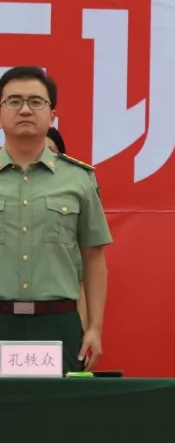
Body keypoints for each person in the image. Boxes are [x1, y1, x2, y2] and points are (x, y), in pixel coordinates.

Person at [0, 66, 111, 373]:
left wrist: (95, 328)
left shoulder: (79, 179)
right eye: (14, 101)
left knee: (55, 405)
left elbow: (93, 256)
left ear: (52, 116)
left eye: (36, 102)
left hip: (58, 323)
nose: (25, 109)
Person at [45, 126, 89, 332]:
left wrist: (85, 330)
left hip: (58, 319)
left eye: (51, 151)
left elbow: (83, 284)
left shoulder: (76, 192)